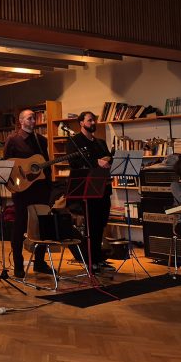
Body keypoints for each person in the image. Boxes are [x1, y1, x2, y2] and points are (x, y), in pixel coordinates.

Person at [3, 109, 53, 278]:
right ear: (21, 121)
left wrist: (49, 184)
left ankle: (39, 262)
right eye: (30, 118)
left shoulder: (41, 140)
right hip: (22, 189)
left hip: (40, 188)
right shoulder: (12, 140)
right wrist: (12, 185)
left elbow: (45, 164)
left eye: (34, 118)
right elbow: (7, 165)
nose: (34, 121)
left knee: (43, 225)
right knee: (20, 225)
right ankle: (18, 264)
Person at [66, 111, 114, 273]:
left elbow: (108, 159)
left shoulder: (100, 142)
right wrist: (96, 162)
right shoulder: (75, 141)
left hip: (104, 188)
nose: (93, 123)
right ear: (81, 123)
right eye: (90, 120)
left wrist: (108, 161)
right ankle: (90, 260)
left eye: (94, 121)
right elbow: (74, 162)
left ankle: (99, 258)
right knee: (91, 226)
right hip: (87, 189)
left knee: (101, 224)